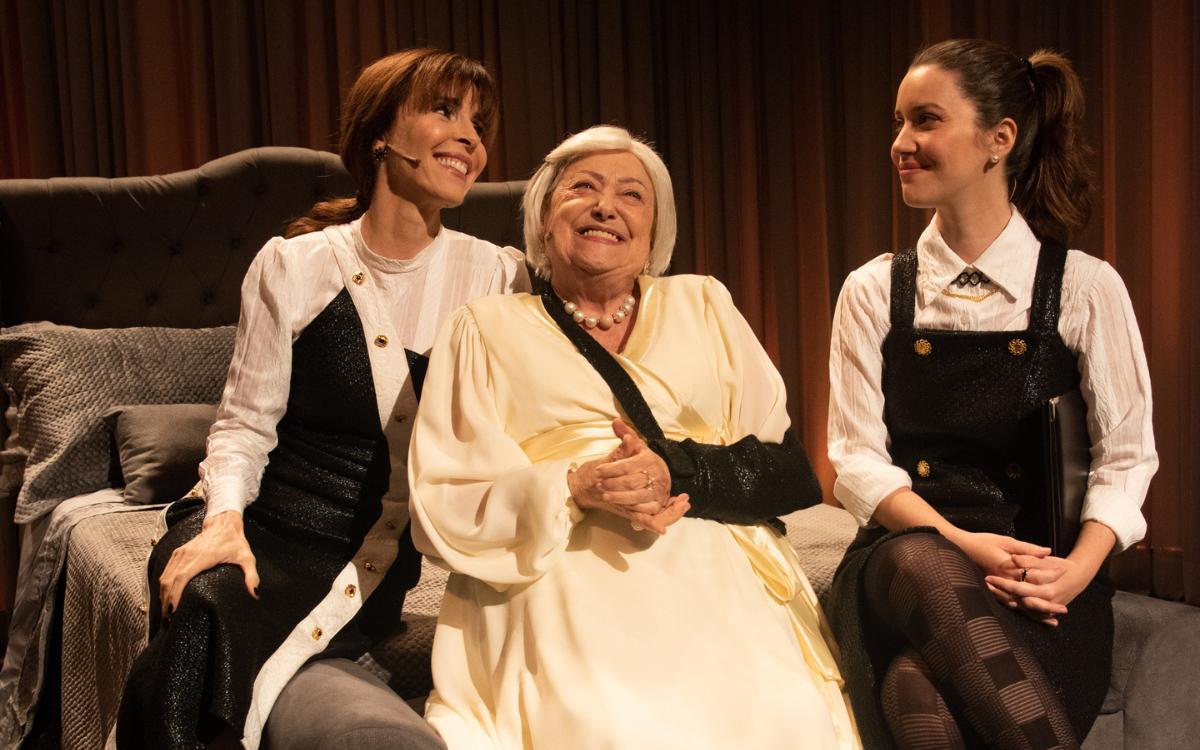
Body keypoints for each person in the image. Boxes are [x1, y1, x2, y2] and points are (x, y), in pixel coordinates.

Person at [118, 49, 529, 750]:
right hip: (250, 522)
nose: (470, 137)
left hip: (366, 557)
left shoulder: (497, 277)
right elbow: (244, 426)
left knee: (213, 617)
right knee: (207, 594)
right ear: (380, 134)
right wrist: (222, 523)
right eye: (444, 111)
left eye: (479, 125)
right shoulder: (293, 265)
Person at [407, 124, 861, 749]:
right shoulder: (482, 328)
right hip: (554, 566)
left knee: (779, 715)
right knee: (609, 723)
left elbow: (787, 472)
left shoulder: (705, 304)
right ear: (543, 218)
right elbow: (448, 496)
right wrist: (574, 486)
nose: (605, 207)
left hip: (712, 554)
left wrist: (675, 472)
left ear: (654, 231)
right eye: (582, 188)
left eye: (631, 195)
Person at [824, 39, 1157, 750]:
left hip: (1041, 578)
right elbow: (855, 460)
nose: (901, 143)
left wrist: (1075, 572)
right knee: (923, 561)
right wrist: (963, 544)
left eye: (926, 120)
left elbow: (1127, 459)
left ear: (998, 139)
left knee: (915, 691)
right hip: (905, 559)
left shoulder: (1086, 288)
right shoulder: (873, 290)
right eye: (899, 122)